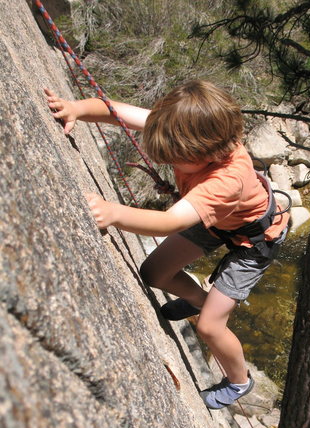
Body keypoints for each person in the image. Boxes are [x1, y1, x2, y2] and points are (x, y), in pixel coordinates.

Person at [45, 80, 289, 409]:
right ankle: (199, 298)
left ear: (210, 153)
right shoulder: (189, 129)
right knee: (154, 274)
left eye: (176, 158)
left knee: (210, 327)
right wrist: (76, 108)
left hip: (254, 240)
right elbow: (118, 111)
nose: (170, 162)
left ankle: (239, 382)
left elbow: (170, 221)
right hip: (218, 219)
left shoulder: (228, 178)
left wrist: (114, 213)